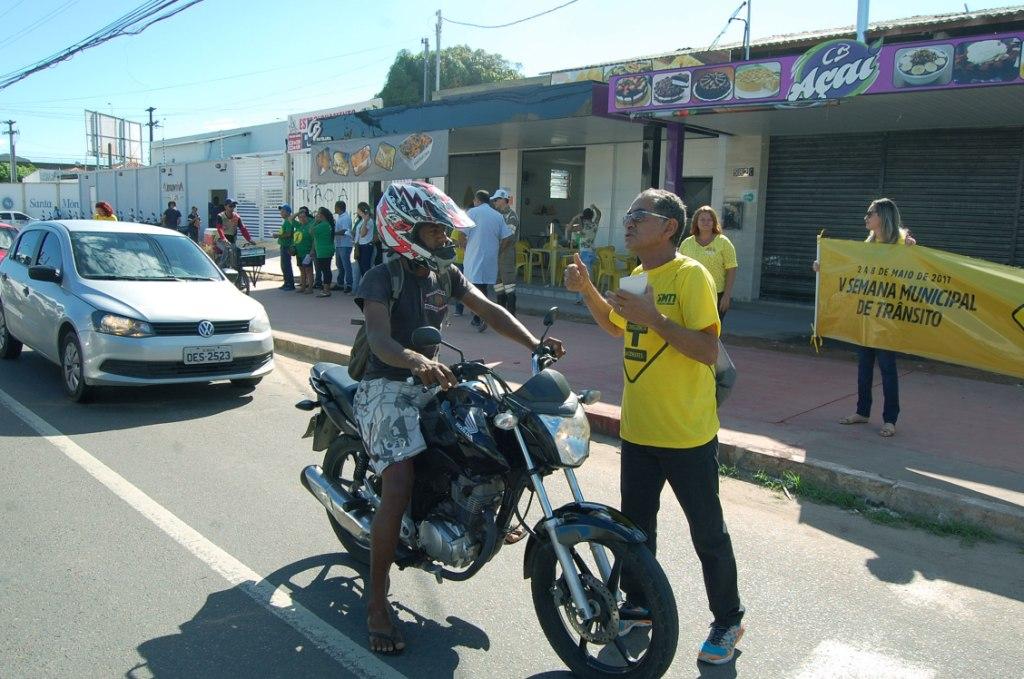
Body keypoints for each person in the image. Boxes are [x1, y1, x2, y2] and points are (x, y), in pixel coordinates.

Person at [355, 180, 565, 655]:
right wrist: (416, 360)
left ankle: (479, 514)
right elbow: (380, 339)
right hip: (387, 386)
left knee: (492, 435)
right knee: (398, 482)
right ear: (405, 230)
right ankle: (377, 604)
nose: (445, 237)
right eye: (435, 230)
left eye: (444, 229)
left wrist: (535, 344)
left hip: (434, 380)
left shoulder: (444, 273)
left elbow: (488, 309)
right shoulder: (382, 277)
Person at [565, 188, 746, 666]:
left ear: (668, 227)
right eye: (628, 213)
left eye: (638, 215)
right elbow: (618, 327)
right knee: (636, 532)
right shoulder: (637, 276)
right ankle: (641, 606)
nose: (628, 221)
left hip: (687, 434)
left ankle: (728, 619)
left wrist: (656, 318)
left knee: (708, 533)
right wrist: (586, 289)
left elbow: (707, 350)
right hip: (639, 432)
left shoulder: (691, 275)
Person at [816, 197, 916, 438]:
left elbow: (915, 272)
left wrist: (912, 248)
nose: (866, 217)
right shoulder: (868, 245)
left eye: (870, 213)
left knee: (887, 369)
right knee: (864, 367)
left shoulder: (902, 244)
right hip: (866, 315)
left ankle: (890, 419)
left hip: (888, 319)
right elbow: (851, 270)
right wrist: (825, 267)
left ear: (883, 216)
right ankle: (862, 411)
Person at [458, 190, 513, 332]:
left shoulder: (472, 212)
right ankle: (479, 317)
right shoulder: (497, 216)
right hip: (490, 258)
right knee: (482, 287)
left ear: (477, 200)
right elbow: (507, 237)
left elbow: (461, 234)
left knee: (475, 288)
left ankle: (481, 317)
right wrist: (498, 251)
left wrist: (465, 249)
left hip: (474, 257)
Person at [678, 206, 738, 320]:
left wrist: (727, 296)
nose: (706, 222)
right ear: (696, 222)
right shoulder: (686, 243)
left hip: (716, 294)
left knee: (712, 329)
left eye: (709, 220)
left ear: (714, 222)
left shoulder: (723, 242)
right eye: (702, 219)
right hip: (691, 294)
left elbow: (732, 268)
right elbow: (679, 269)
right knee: (691, 327)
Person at [490, 188, 520, 315]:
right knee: (498, 286)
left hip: (506, 254)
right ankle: (501, 315)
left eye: (496, 200)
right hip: (497, 253)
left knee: (509, 285)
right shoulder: (497, 215)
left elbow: (508, 238)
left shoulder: (512, 216)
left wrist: (496, 250)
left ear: (503, 200)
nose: (494, 202)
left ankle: (511, 315)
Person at [565, 204, 602, 303]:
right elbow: (599, 214)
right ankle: (582, 298)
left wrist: (575, 218)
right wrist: (594, 207)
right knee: (587, 276)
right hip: (592, 253)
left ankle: (583, 299)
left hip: (584, 254)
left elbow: (569, 229)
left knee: (583, 277)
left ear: (583, 216)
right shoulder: (594, 224)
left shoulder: (582, 227)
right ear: (591, 216)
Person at [213, 199, 254, 271]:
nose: (232, 208)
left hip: (232, 241)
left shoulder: (237, 217)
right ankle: (220, 268)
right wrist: (224, 238)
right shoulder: (220, 216)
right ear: (225, 207)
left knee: (238, 252)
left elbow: (243, 229)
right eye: (230, 206)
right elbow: (219, 228)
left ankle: (237, 270)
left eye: (234, 206)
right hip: (220, 240)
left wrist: (249, 239)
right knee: (227, 249)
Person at [311, 206, 336, 297]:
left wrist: (315, 221)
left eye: (318, 214)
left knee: (325, 270)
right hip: (326, 249)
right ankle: (326, 289)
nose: (316, 215)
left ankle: (326, 290)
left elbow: (311, 231)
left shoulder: (323, 225)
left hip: (323, 250)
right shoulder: (327, 224)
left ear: (322, 215)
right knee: (326, 269)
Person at [332, 200, 354, 293]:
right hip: (339, 244)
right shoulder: (340, 217)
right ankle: (340, 283)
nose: (334, 209)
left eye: (335, 207)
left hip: (345, 244)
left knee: (346, 265)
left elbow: (345, 231)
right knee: (339, 265)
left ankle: (349, 284)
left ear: (338, 207)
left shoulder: (345, 218)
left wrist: (333, 233)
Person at [274, 204, 296, 291]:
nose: (281, 213)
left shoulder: (289, 221)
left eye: (283, 211)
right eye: (281, 211)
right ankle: (286, 283)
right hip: (283, 246)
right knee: (283, 266)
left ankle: (290, 284)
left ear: (288, 212)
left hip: (287, 246)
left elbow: (288, 234)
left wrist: (278, 235)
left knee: (286, 266)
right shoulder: (286, 221)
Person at [353, 201, 375, 290]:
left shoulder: (368, 221)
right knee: (361, 268)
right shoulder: (361, 220)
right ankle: (364, 287)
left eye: (358, 209)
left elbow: (362, 234)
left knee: (366, 267)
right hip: (360, 246)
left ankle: (368, 288)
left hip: (366, 246)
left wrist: (365, 221)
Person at [293, 207, 314, 293]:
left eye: (304, 217)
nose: (302, 219)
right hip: (299, 252)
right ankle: (303, 287)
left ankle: (310, 288)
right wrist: (299, 212)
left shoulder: (310, 225)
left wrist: (312, 250)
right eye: (300, 217)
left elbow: (314, 240)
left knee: (308, 270)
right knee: (301, 270)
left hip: (307, 252)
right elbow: (290, 218)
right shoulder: (298, 225)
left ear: (307, 217)